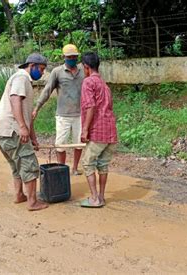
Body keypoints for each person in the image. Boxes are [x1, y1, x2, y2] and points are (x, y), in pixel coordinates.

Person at [0, 53, 48, 211]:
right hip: (12, 128)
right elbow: (15, 99)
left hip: (1, 129)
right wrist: (22, 127)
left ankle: (19, 195)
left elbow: (27, 114)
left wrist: (33, 137)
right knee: (29, 163)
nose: (42, 73)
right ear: (32, 66)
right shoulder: (21, 78)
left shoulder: (22, 80)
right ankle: (32, 202)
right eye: (41, 69)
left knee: (17, 164)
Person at [32, 44, 84, 175]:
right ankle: (62, 169)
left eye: (74, 57)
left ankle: (75, 168)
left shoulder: (83, 71)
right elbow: (47, 91)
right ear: (64, 57)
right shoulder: (57, 72)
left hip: (80, 114)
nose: (72, 59)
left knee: (79, 144)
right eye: (69, 57)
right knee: (60, 145)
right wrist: (37, 107)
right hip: (63, 115)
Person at [79, 52, 118, 208]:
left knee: (88, 163)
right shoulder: (104, 84)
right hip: (111, 131)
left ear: (86, 67)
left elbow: (91, 106)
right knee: (103, 164)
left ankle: (94, 199)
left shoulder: (88, 82)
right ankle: (101, 197)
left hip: (98, 131)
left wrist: (85, 130)